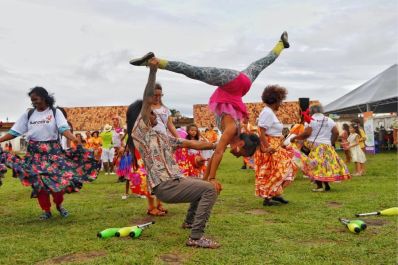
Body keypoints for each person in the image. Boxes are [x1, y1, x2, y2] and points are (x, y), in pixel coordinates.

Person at [130, 32, 289, 183]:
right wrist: (212, 178)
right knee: (195, 72)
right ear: (240, 145)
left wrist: (205, 181)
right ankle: (155, 61)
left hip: (243, 85)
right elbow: (218, 152)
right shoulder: (232, 129)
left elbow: (214, 155)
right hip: (235, 83)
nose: (237, 156)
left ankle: (281, 44)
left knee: (263, 63)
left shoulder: (235, 135)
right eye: (241, 154)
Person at [129, 62, 221, 248]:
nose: (156, 115)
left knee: (203, 186)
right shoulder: (141, 133)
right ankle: (195, 238)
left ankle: (189, 222)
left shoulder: (162, 137)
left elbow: (188, 142)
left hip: (175, 181)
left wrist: (215, 144)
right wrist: (153, 70)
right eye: (152, 113)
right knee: (209, 189)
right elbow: (147, 99)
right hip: (165, 186)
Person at [0, 86, 98, 220]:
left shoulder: (55, 112)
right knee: (38, 184)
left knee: (58, 184)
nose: (35, 103)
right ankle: (46, 210)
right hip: (34, 154)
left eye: (37, 100)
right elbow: (14, 132)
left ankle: (59, 205)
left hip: (54, 154)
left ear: (45, 98)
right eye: (32, 101)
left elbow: (63, 128)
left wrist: (74, 139)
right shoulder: (28, 114)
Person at [254, 85, 298, 206]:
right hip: (270, 146)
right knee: (277, 170)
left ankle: (275, 194)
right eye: (280, 101)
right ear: (275, 101)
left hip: (275, 144)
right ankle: (268, 197)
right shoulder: (267, 112)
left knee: (282, 169)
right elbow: (261, 131)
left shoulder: (270, 112)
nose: (281, 104)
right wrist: (267, 147)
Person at [291, 104, 351, 192]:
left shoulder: (311, 120)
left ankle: (319, 186)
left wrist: (295, 137)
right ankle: (326, 185)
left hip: (314, 145)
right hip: (327, 145)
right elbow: (336, 132)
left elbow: (307, 133)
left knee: (314, 165)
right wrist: (331, 143)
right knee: (324, 165)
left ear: (311, 111)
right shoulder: (329, 120)